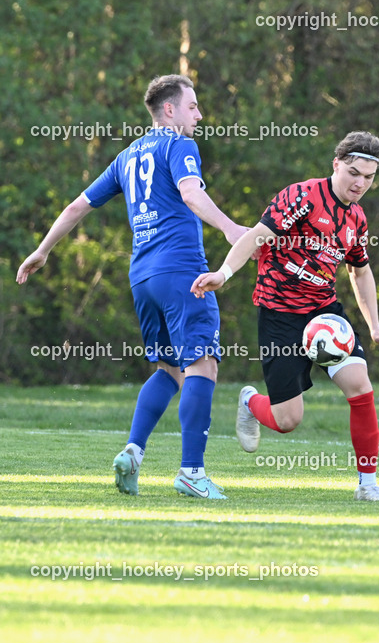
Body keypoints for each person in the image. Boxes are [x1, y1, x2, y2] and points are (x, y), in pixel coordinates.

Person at [16, 74, 249, 500]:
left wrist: (43, 249)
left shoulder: (127, 156)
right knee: (203, 365)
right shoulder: (179, 144)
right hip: (182, 272)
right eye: (193, 106)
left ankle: (133, 452)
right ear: (169, 110)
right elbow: (192, 194)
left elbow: (76, 206)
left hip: (142, 277)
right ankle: (192, 472)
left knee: (169, 369)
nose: (199, 114)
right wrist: (232, 229)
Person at [191, 131, 379, 502]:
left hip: (324, 313)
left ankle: (368, 484)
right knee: (288, 421)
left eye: (368, 177)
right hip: (280, 315)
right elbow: (256, 236)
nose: (360, 183)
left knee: (360, 385)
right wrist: (223, 274)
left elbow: (360, 272)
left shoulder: (357, 218)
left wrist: (374, 326)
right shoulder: (301, 196)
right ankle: (251, 403)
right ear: (336, 164)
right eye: (354, 173)